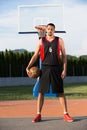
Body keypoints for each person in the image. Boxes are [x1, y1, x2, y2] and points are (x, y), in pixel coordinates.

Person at [26, 23, 74, 123]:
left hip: (56, 68)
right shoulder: (41, 41)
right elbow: (35, 55)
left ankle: (66, 114)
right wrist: (28, 66)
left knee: (60, 92)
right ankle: (38, 114)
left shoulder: (59, 40)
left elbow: (64, 56)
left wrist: (64, 69)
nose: (50, 30)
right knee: (41, 92)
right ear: (45, 30)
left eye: (52, 29)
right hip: (44, 69)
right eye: (48, 29)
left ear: (54, 30)